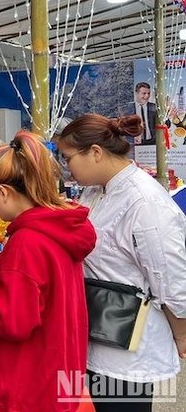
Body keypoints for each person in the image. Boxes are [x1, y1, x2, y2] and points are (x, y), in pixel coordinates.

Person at [0, 131, 97, 411]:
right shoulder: (59, 228)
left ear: (3, 192)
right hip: (55, 379)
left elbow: (12, 320)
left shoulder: (27, 242)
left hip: (26, 389)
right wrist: (1, 264)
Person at [58, 114, 186, 411]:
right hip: (96, 336)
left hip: (128, 350)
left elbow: (171, 278)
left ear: (95, 153)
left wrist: (181, 334)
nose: (68, 168)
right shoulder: (96, 192)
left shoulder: (144, 202)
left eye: (68, 158)